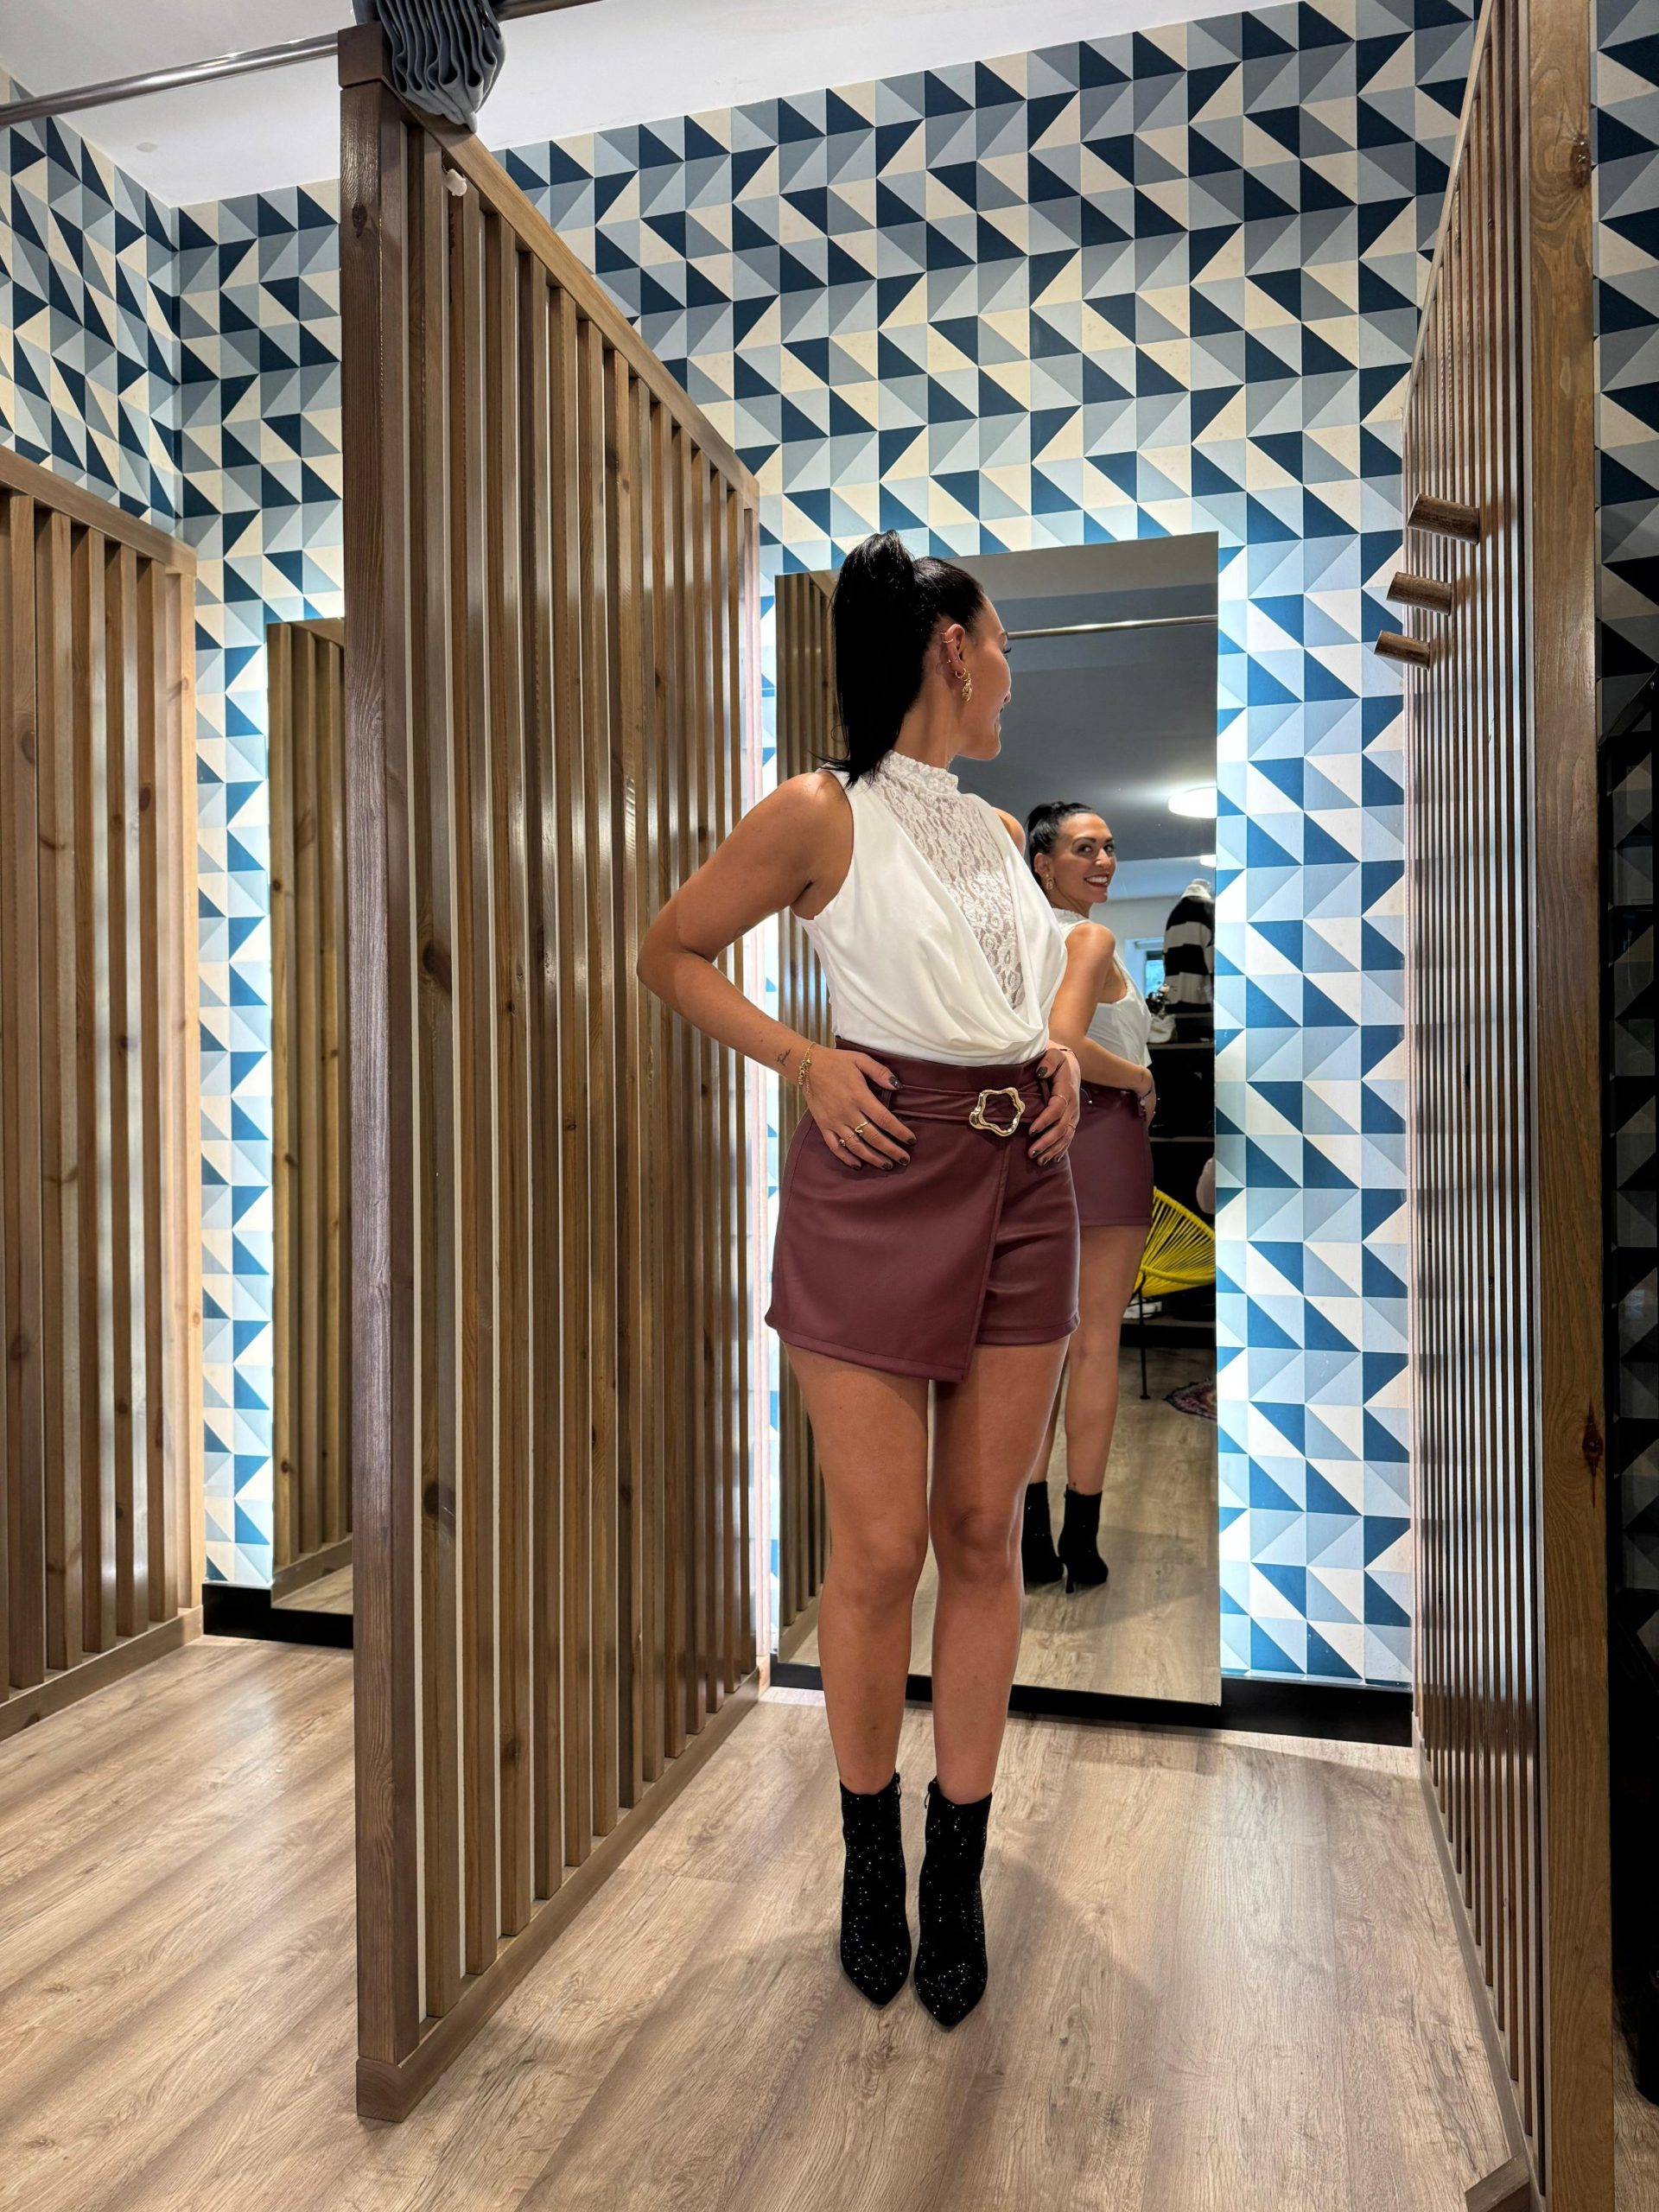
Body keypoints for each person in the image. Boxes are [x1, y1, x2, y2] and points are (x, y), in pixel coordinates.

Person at [638, 531, 1083, 2029]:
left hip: (1025, 1185)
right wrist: (803, 1060)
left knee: (983, 1534)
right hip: (878, 1177)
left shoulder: (994, 827)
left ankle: (958, 1867)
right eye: (1002, 644)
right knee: (882, 1549)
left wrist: (1059, 1055)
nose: (1011, 670)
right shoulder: (818, 810)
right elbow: (671, 951)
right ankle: (868, 1855)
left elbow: (1022, 996)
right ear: (951, 647)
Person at [1022, 804, 1157, 1593]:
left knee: (1037, 1343)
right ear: (1043, 864)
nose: (1104, 860)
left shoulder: (1018, 938)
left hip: (1037, 1139)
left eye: (1109, 847)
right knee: (1095, 1343)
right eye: (1084, 848)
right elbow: (1065, 1039)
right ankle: (1082, 1538)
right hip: (1102, 1133)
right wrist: (1140, 1077)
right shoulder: (1091, 939)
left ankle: (1031, 1539)